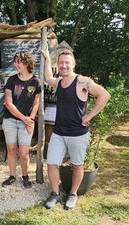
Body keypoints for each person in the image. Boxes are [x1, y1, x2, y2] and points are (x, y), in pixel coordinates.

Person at [41, 45, 110, 209]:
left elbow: (104, 95)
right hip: (58, 132)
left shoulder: (82, 81)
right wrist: (47, 59)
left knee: (77, 165)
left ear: (73, 64)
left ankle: (72, 194)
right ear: (58, 64)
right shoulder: (59, 82)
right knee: (51, 163)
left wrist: (89, 115)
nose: (64, 66)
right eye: (61, 63)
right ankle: (55, 194)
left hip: (77, 134)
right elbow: (48, 77)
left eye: (67, 62)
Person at [2, 50, 41, 189]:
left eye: (18, 62)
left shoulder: (35, 81)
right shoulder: (11, 80)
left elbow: (36, 103)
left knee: (24, 153)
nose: (15, 64)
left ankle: (25, 176)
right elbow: (8, 103)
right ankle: (12, 176)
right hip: (10, 121)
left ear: (26, 63)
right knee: (11, 149)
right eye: (15, 61)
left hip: (28, 121)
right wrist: (24, 118)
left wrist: (30, 119)